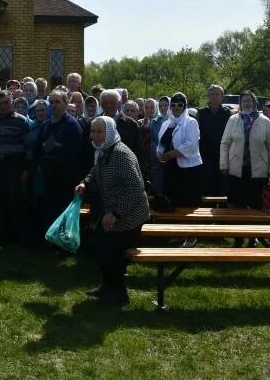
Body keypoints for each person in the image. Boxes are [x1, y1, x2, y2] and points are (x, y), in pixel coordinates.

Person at [75, 116, 150, 305]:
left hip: (130, 215)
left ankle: (119, 293)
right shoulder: (104, 151)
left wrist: (116, 214)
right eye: (92, 131)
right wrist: (85, 183)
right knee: (99, 246)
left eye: (99, 131)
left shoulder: (121, 154)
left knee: (110, 250)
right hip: (113, 212)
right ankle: (107, 287)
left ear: (109, 132)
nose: (95, 135)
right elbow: (95, 170)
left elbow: (136, 189)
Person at [0, 90, 31, 244]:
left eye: (5, 103)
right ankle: (0, 235)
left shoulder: (21, 121)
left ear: (11, 102)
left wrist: (26, 169)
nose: (2, 106)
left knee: (14, 201)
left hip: (14, 165)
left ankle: (15, 236)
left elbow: (29, 148)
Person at [220, 91, 270, 217]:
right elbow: (225, 144)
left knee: (256, 205)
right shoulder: (233, 120)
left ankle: (254, 235)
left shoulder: (265, 121)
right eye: (244, 100)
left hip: (257, 171)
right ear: (240, 103)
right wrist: (223, 165)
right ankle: (238, 235)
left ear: (254, 102)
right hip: (236, 170)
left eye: (249, 100)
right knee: (236, 205)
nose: (247, 103)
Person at [34, 90, 85, 232]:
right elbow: (38, 150)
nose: (54, 105)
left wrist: (52, 148)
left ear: (66, 103)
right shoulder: (45, 126)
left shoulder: (71, 125)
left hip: (65, 178)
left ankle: (62, 243)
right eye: (52, 102)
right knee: (48, 210)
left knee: (62, 211)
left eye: (58, 102)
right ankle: (49, 239)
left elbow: (73, 153)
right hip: (47, 177)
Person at [156, 92, 203, 210]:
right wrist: (159, 155)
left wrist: (170, 155)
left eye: (180, 105)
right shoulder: (166, 124)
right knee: (170, 204)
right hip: (169, 169)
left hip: (188, 171)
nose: (176, 107)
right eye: (173, 105)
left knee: (187, 205)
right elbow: (161, 143)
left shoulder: (191, 122)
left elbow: (190, 145)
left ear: (185, 107)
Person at [197, 85, 233, 197]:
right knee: (206, 187)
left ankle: (222, 213)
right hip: (205, 156)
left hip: (222, 157)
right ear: (208, 96)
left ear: (222, 97)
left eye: (217, 94)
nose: (214, 96)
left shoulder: (228, 114)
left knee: (222, 189)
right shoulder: (201, 113)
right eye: (212, 94)